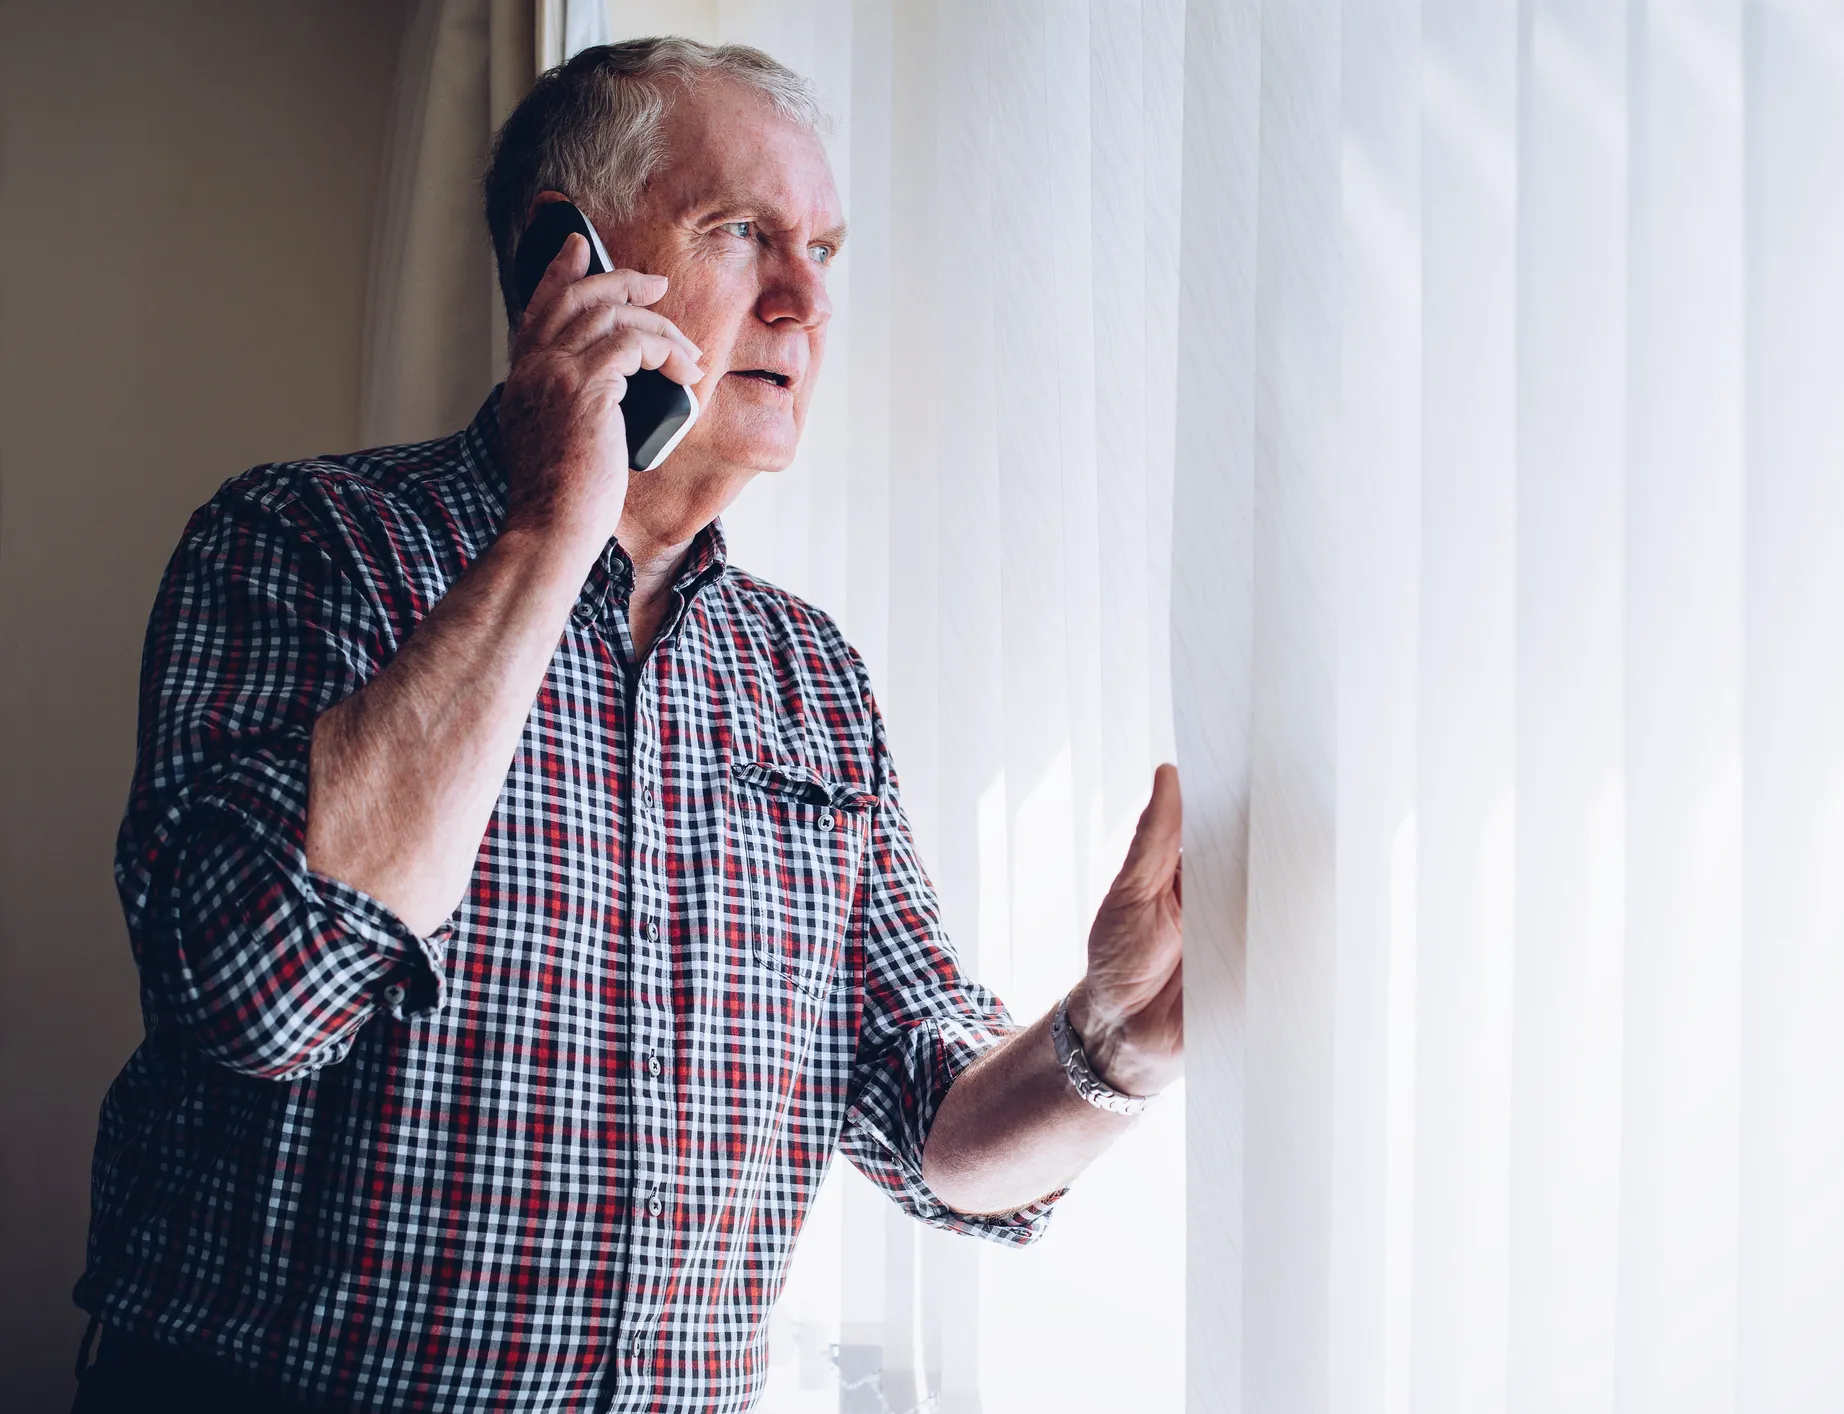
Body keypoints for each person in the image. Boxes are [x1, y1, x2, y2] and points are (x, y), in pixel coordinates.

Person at [71, 39, 1182, 1414]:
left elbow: (934, 1123)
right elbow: (259, 999)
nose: (802, 299)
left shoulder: (812, 677)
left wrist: (1114, 1045)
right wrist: (555, 526)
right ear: (567, 265)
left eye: (825, 249)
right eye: (742, 234)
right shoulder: (303, 541)